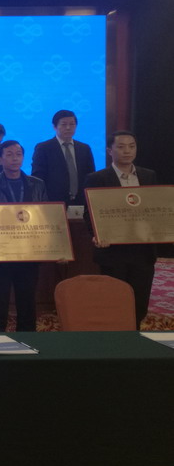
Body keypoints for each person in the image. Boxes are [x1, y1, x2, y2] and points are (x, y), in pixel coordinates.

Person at [84, 130, 158, 327]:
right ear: (110, 150)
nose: (127, 151)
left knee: (139, 303)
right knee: (114, 302)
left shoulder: (148, 175)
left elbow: (156, 208)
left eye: (132, 146)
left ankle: (134, 338)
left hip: (142, 250)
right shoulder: (97, 178)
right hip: (113, 251)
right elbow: (89, 213)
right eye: (121, 147)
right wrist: (97, 234)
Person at [0, 140, 47, 332]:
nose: (15, 158)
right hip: (1, 254)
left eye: (18, 154)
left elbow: (46, 217)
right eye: (9, 154)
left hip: (29, 253)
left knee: (27, 302)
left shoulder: (37, 184)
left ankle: (28, 341)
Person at [31, 109, 96, 206]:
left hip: (81, 202)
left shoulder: (84, 148)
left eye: (72, 124)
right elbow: (38, 178)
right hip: (54, 202)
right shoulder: (43, 148)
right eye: (64, 124)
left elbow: (91, 176)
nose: (68, 128)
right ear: (55, 127)